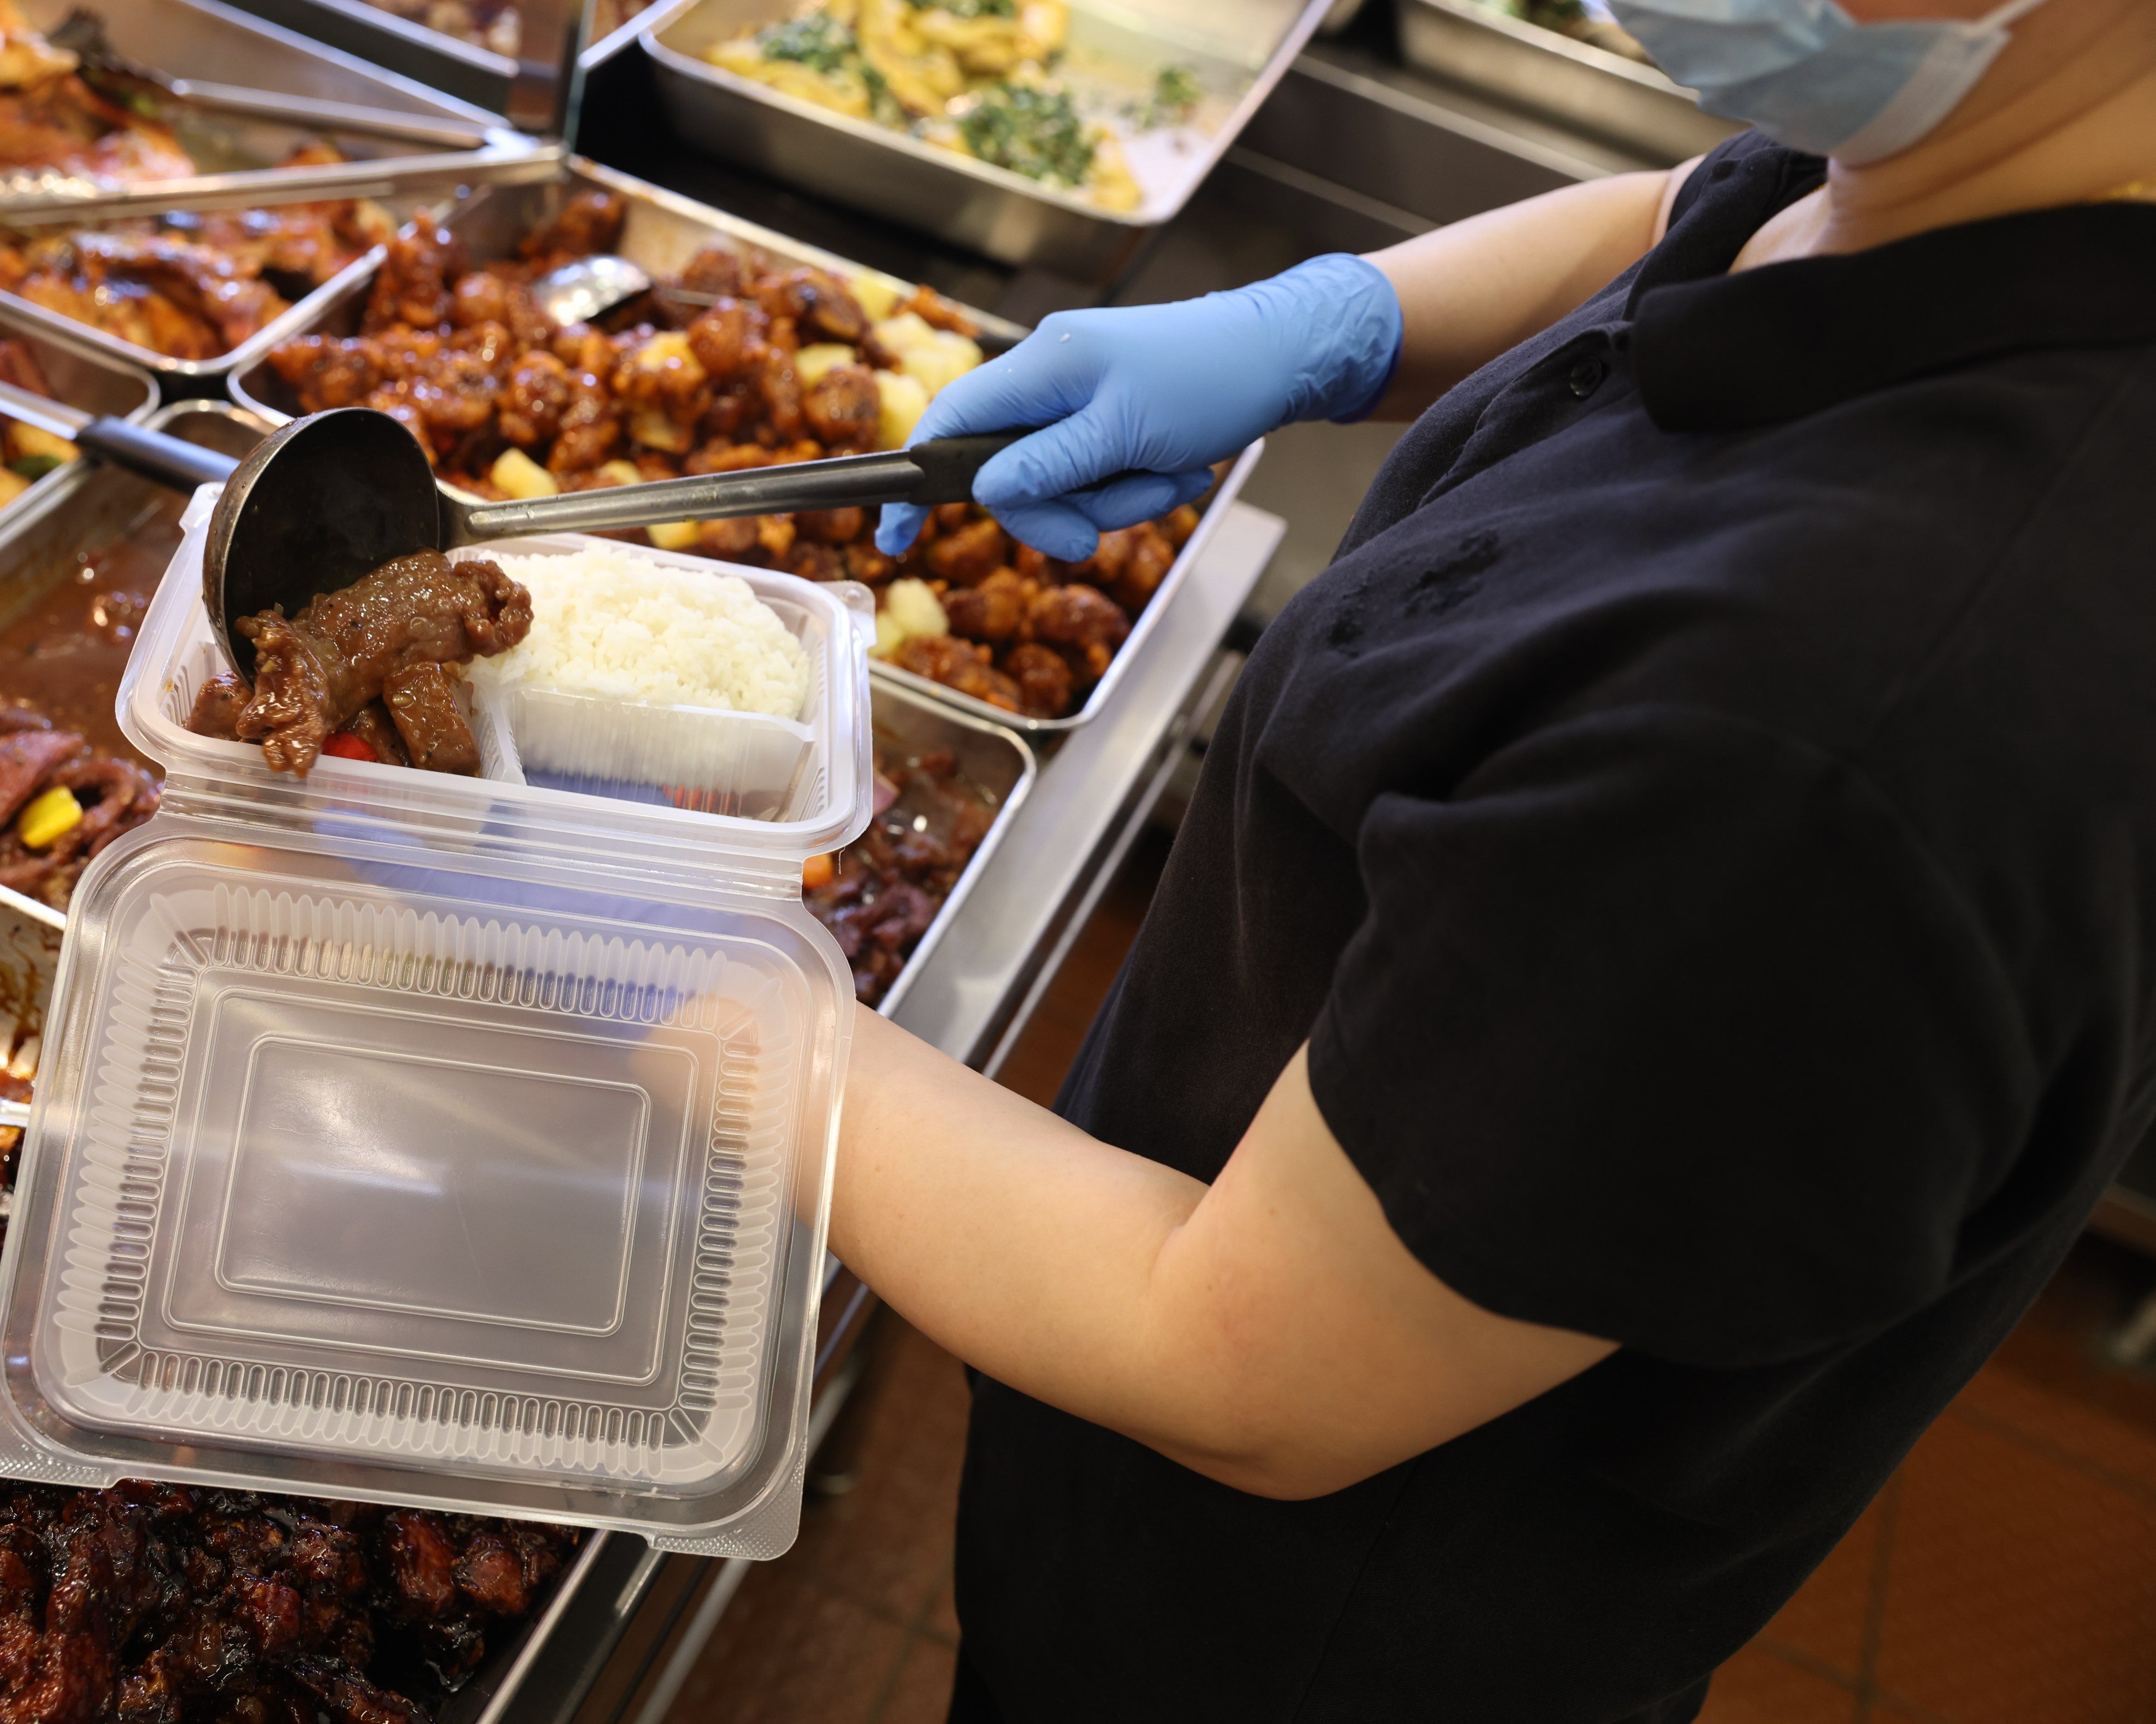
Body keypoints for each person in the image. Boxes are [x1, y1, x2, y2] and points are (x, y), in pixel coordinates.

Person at [827, 0, 2156, 1715]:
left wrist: (725, 1013)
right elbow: (1702, 211)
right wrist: (1331, 325)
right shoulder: (2017, 170)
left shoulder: (1826, 734)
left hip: (1289, 1631)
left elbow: (1242, 1368)